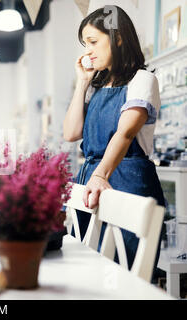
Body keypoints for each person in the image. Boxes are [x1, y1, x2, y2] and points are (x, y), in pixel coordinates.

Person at [63, 6, 165, 282]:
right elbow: (71, 133)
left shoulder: (143, 80)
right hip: (92, 181)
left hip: (126, 179)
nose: (88, 52)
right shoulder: (96, 87)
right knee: (88, 273)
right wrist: (82, 84)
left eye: (94, 42)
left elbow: (126, 133)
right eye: (85, 45)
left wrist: (100, 174)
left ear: (118, 38)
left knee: (126, 274)